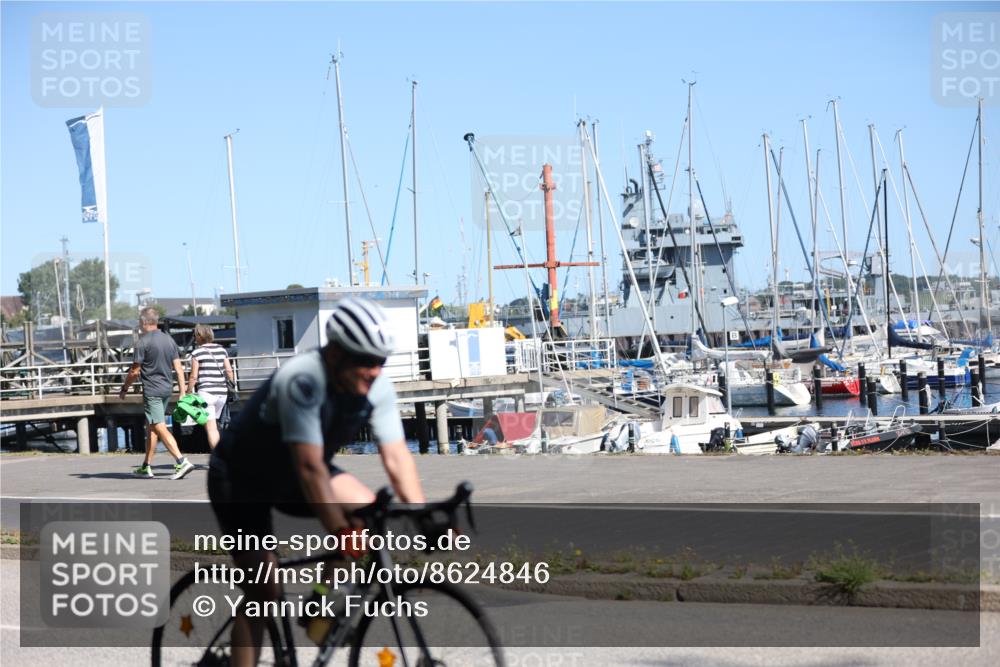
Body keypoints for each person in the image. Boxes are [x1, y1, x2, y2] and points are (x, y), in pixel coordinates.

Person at [208, 298, 425, 666]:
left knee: (369, 511)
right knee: (264, 589)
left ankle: (320, 601)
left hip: (294, 474)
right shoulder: (304, 380)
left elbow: (397, 457)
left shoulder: (377, 387)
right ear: (338, 354)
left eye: (381, 361)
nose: (375, 371)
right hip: (241, 479)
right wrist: (341, 530)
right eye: (365, 360)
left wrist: (423, 514)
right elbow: (310, 469)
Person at [119, 307, 195, 480]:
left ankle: (181, 461)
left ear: (144, 322)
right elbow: (178, 368)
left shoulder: (142, 342)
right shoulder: (169, 340)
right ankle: (146, 466)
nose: (139, 325)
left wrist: (124, 388)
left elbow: (134, 371)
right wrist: (183, 391)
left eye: (139, 322)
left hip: (152, 390)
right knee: (152, 427)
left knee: (158, 425)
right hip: (167, 389)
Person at [187, 324, 235, 449]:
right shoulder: (222, 350)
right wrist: (232, 385)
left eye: (195, 335)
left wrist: (188, 392)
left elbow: (193, 376)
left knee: (211, 429)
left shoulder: (197, 352)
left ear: (199, 336)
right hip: (222, 394)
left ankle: (218, 460)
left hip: (206, 394)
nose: (194, 337)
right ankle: (223, 454)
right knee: (216, 426)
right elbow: (229, 371)